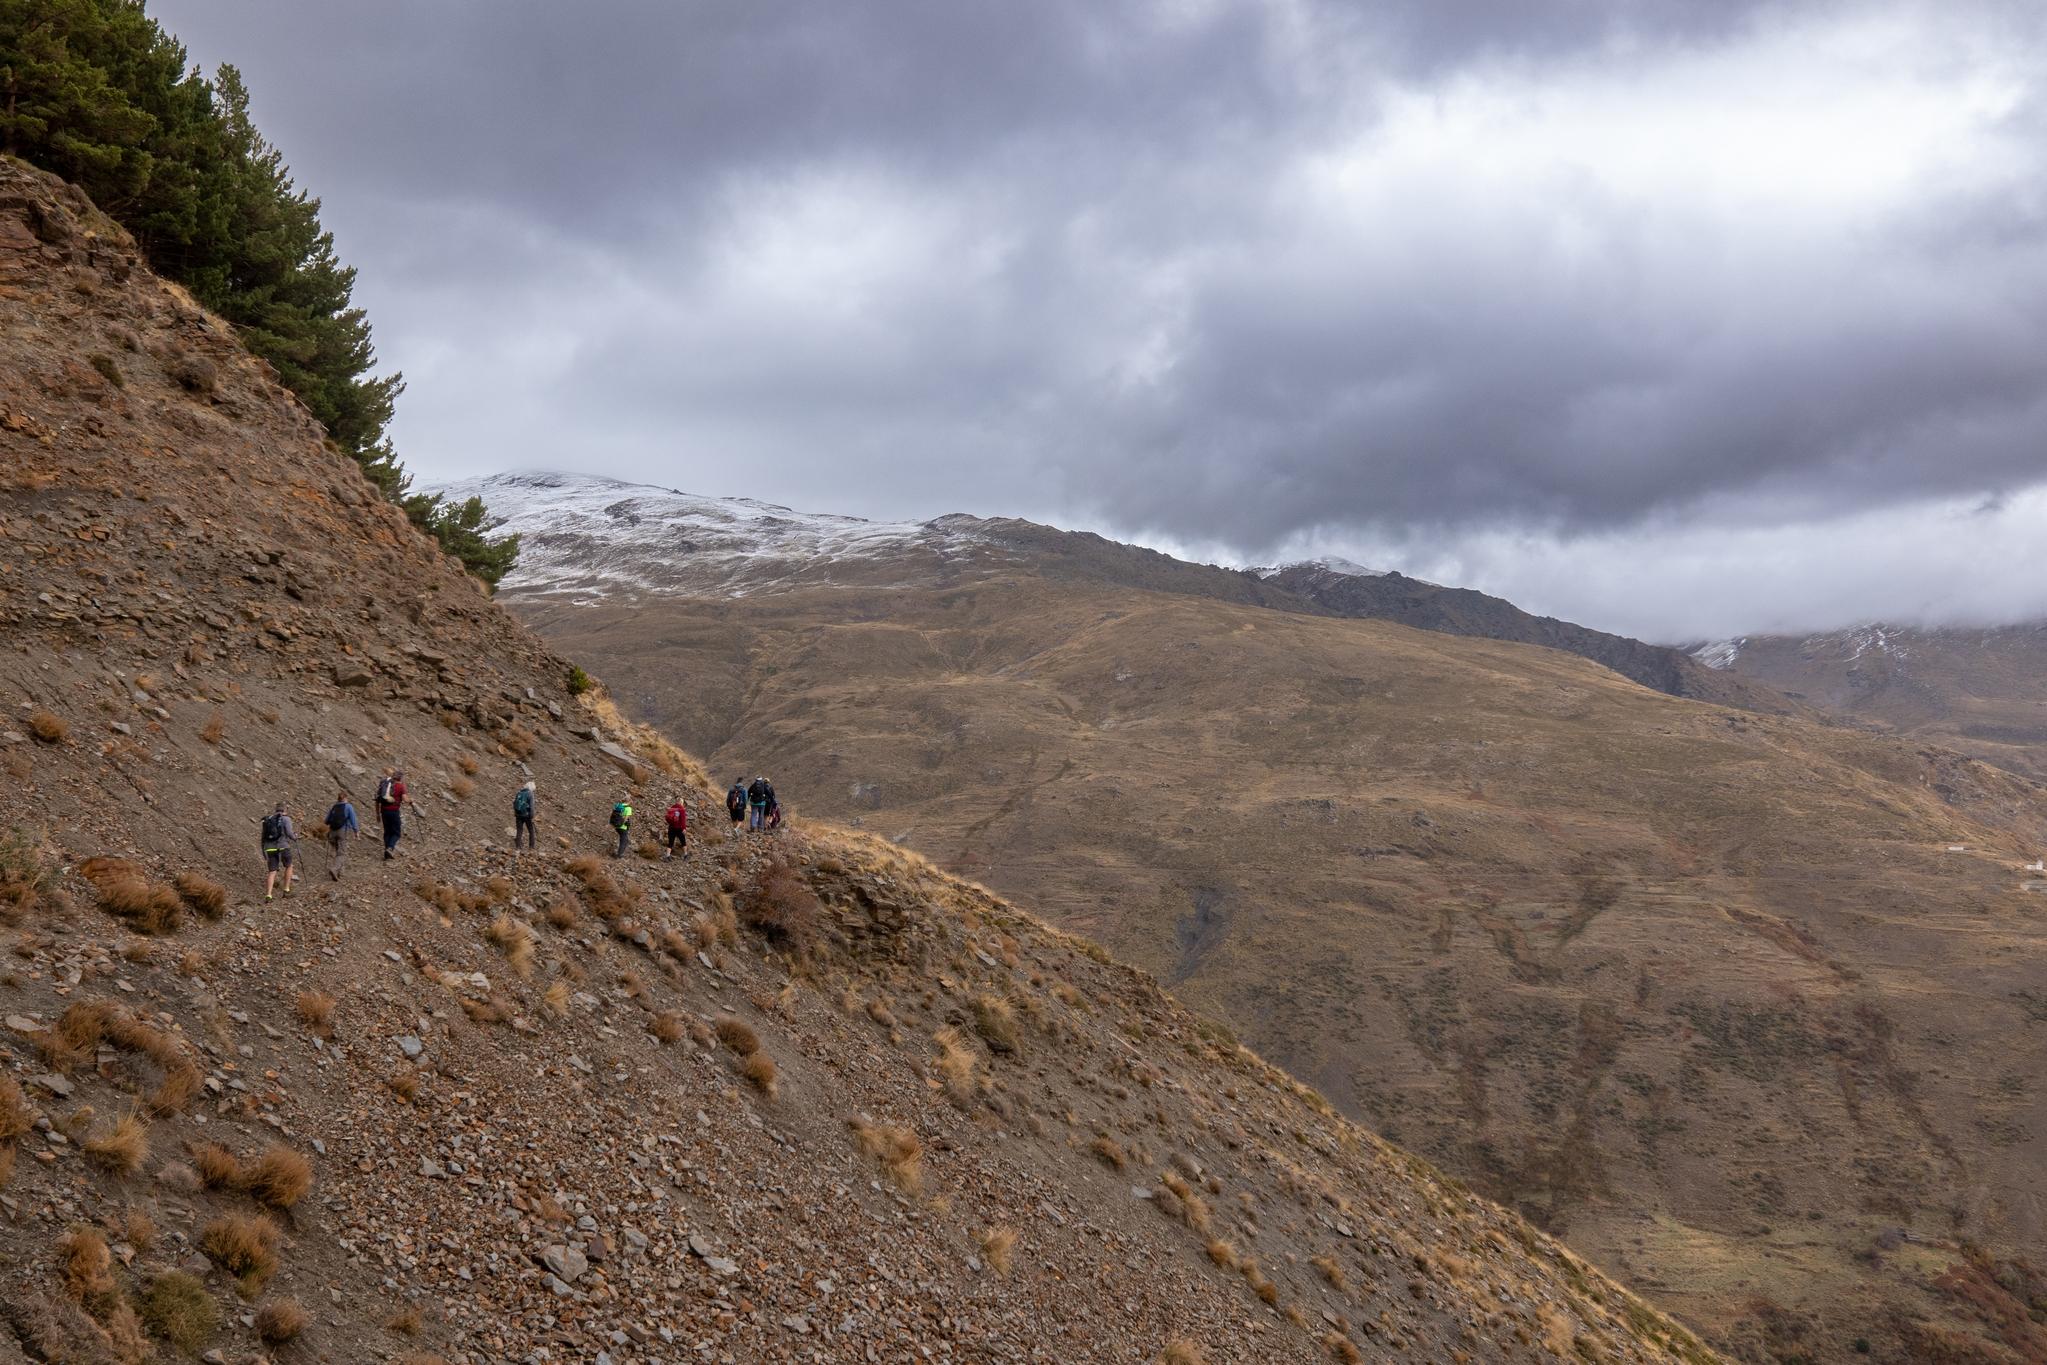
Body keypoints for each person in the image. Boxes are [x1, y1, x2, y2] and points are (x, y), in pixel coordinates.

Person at [261, 803, 298, 901]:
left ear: (276, 809)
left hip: (269, 848)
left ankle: (268, 895)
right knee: (289, 866)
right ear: (285, 810)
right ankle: (286, 890)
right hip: (283, 846)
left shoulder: (267, 820)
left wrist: (263, 850)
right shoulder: (286, 819)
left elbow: (263, 837)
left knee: (272, 872)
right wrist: (295, 837)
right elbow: (290, 833)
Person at [323, 789, 360, 881]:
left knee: (338, 851)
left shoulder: (334, 806)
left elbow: (326, 821)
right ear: (346, 798)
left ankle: (340, 874)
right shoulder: (348, 806)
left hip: (332, 832)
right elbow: (353, 820)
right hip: (342, 831)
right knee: (342, 853)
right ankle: (334, 869)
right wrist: (356, 832)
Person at [375, 768, 409, 860]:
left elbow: (377, 800)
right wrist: (411, 800)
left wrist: (377, 814)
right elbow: (405, 799)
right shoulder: (400, 786)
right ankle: (390, 848)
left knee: (387, 832)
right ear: (400, 778)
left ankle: (387, 854)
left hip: (384, 811)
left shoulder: (385, 784)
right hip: (394, 811)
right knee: (396, 833)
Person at [513, 780, 537, 849]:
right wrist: (532, 816)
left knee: (519, 830)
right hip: (527, 815)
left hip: (518, 815)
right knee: (531, 831)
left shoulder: (519, 793)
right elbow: (532, 807)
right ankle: (531, 847)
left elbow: (514, 803)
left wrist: (516, 813)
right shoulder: (530, 794)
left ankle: (517, 847)